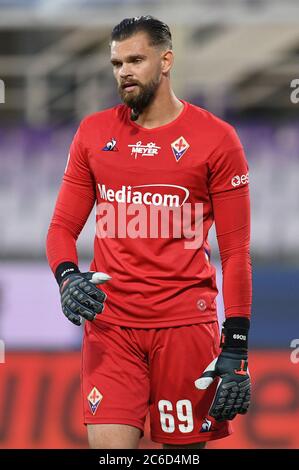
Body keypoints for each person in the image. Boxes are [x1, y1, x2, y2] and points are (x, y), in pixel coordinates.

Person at [46, 15, 252, 449]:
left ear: (166, 61)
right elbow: (62, 228)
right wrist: (67, 275)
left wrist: (235, 348)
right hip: (111, 328)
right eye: (117, 63)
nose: (124, 72)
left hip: (185, 328)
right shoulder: (93, 133)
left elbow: (236, 253)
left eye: (136, 60)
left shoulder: (217, 139)